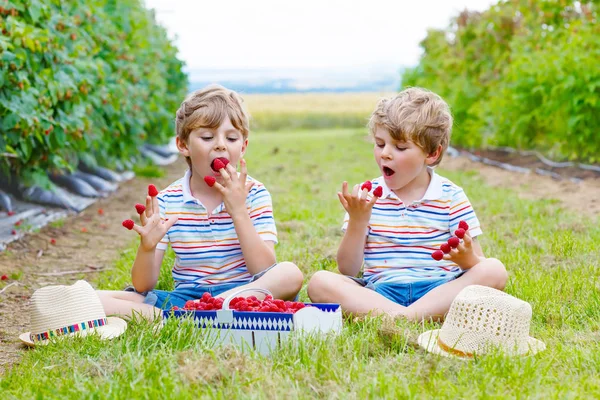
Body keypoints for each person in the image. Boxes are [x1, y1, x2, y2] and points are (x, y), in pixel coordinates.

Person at [98, 84, 303, 319]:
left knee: (289, 273)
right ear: (183, 145)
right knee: (96, 298)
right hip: (187, 298)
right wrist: (147, 247)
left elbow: (264, 269)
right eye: (207, 136)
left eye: (232, 137)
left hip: (245, 295)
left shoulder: (254, 193)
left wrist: (238, 211)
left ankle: (195, 313)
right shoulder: (167, 200)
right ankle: (192, 314)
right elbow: (144, 285)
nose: (220, 144)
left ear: (243, 146)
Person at [307, 87, 507, 322]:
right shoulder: (367, 196)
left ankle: (402, 317)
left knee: (494, 270)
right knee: (320, 282)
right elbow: (348, 269)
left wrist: (467, 260)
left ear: (431, 154)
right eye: (380, 144)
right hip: (381, 292)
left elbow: (478, 263)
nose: (386, 154)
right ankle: (411, 316)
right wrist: (358, 221)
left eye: (400, 147)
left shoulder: (451, 196)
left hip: (440, 289)